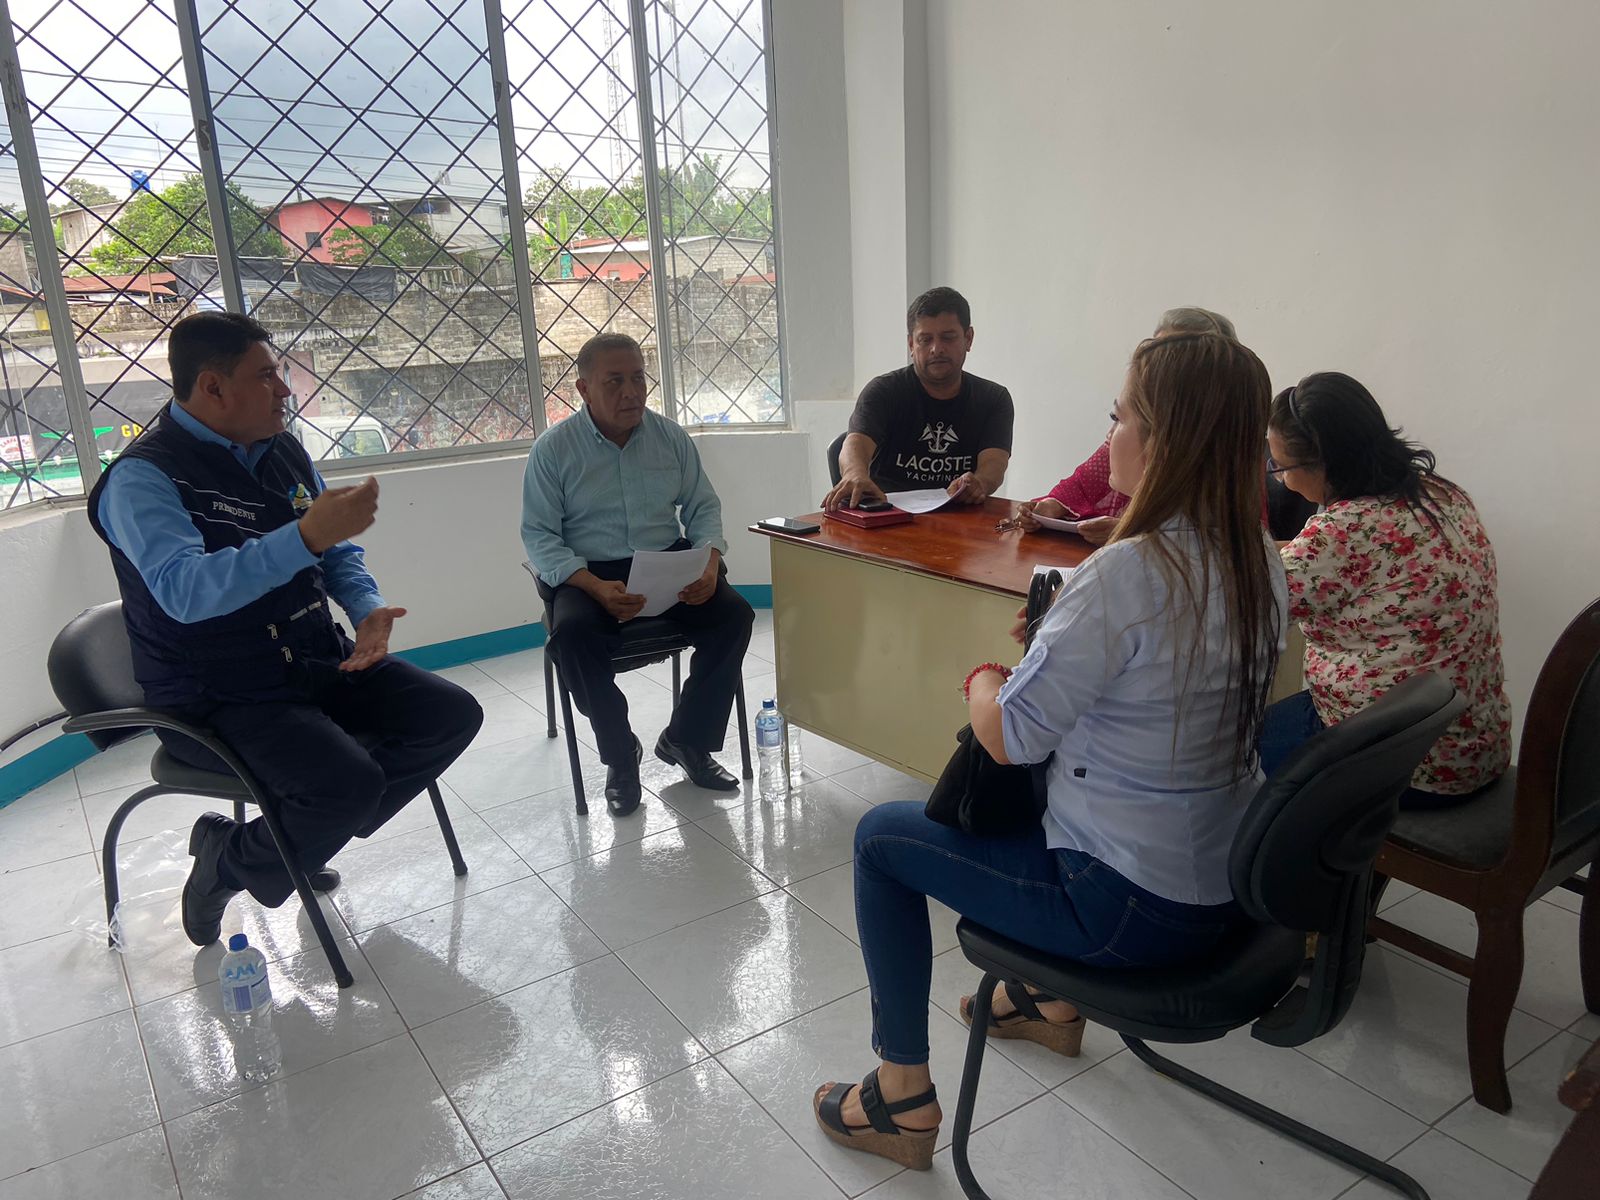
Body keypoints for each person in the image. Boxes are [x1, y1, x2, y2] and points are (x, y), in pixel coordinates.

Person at [811, 332, 1286, 1169]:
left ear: (1166, 440)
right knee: (1054, 799)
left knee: (881, 838)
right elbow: (1155, 698)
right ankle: (1046, 1003)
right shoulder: (1259, 561)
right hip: (1230, 884)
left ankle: (901, 1097)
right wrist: (1059, 647)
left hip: (1129, 909)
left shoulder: (1126, 573)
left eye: (1120, 418)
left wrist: (987, 678)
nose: (1111, 436)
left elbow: (1011, 736)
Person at [87, 312, 484, 947]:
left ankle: (290, 839)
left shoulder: (282, 449)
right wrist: (303, 538)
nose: (285, 389)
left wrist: (367, 610)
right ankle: (230, 861)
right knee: (348, 785)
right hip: (217, 693)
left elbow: (337, 552)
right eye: (267, 375)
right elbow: (186, 592)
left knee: (450, 715)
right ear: (213, 387)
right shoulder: (143, 478)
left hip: (312, 659)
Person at [521, 332, 754, 816]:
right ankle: (621, 755)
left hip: (666, 562)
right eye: (614, 382)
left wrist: (709, 563)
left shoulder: (670, 437)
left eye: (638, 379)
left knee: (733, 616)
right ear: (584, 389)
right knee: (572, 638)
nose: (631, 392)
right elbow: (540, 536)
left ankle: (686, 740)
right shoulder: (553, 450)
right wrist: (591, 585)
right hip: (590, 573)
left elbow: (703, 508)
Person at [1258, 372, 1512, 805]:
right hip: (1474, 747)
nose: (1280, 480)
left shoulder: (1340, 533)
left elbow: (1246, 607)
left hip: (1403, 767)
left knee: (1231, 756)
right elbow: (1332, 563)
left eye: (1280, 467)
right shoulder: (1443, 496)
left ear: (1325, 464)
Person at [1016, 307, 1245, 545]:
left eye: (1174, 357)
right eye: (1154, 353)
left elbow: (1228, 535)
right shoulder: (1128, 436)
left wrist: (1134, 529)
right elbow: (1081, 485)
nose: (1153, 367)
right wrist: (1051, 506)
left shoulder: (1232, 456)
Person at [822, 286, 1014, 509]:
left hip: (962, 515)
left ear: (968, 338)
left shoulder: (993, 399)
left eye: (948, 337)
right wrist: (854, 473)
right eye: (925, 339)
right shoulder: (883, 392)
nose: (936, 349)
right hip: (887, 515)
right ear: (911, 345)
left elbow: (994, 464)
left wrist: (979, 483)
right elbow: (855, 444)